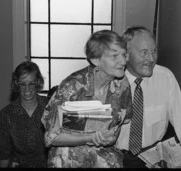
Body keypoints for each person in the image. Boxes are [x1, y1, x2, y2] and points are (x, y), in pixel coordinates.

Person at [41, 30, 133, 168]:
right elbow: (51, 137)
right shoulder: (72, 87)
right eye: (114, 56)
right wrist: (90, 138)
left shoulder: (122, 84)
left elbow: (123, 120)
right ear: (96, 60)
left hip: (105, 160)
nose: (123, 61)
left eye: (124, 54)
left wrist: (110, 137)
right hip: (69, 161)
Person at [116, 25, 181, 168]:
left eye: (154, 51)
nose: (151, 58)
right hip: (116, 156)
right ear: (127, 54)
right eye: (144, 52)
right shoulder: (112, 80)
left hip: (152, 157)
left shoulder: (165, 77)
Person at [0, 61, 49, 168]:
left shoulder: (50, 107)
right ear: (16, 84)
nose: (27, 89)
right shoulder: (7, 114)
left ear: (38, 82)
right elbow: (4, 153)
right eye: (22, 84)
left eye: (31, 83)